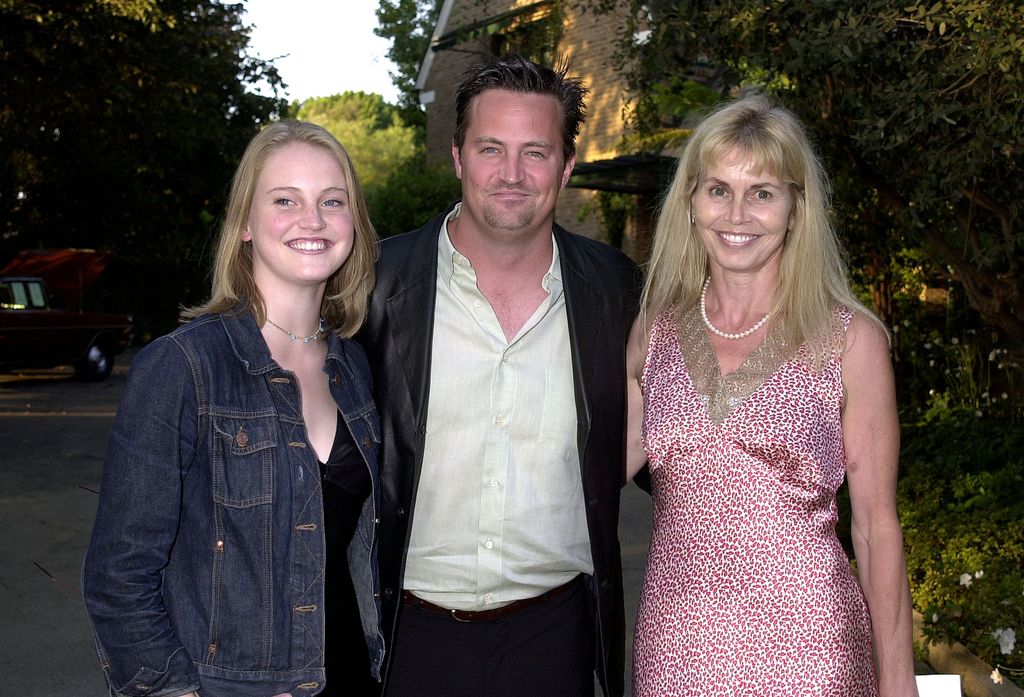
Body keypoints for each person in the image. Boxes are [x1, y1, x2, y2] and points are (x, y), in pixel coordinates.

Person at [358, 54, 642, 697]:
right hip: (406, 640)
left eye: (536, 152)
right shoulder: (374, 286)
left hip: (557, 639)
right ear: (458, 156)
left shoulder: (616, 291)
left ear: (566, 167)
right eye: (491, 148)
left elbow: (673, 451)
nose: (512, 174)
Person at [625, 95, 919, 696]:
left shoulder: (848, 340)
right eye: (717, 189)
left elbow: (876, 527)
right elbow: (593, 472)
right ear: (690, 203)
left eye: (762, 192)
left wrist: (898, 680)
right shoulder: (653, 328)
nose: (737, 213)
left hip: (811, 648)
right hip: (676, 648)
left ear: (795, 208)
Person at [82, 120, 384, 697]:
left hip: (351, 677)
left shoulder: (356, 368)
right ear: (245, 223)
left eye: (332, 201)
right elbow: (117, 575)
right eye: (284, 200)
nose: (312, 220)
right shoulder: (183, 367)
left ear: (354, 223)